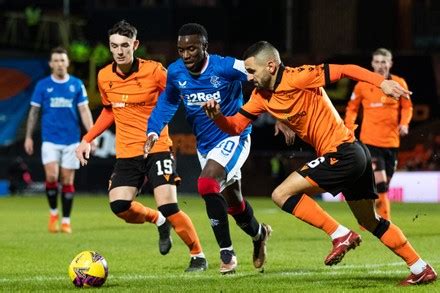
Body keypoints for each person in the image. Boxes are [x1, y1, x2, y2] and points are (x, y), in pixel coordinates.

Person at [203, 41, 437, 285]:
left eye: (252, 71)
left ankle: (340, 234)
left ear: (271, 66)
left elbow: (346, 69)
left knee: (281, 194)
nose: (249, 77)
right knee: (370, 221)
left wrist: (382, 82)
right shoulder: (260, 97)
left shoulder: (300, 76)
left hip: (343, 152)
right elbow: (235, 126)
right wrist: (218, 116)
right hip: (354, 154)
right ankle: (421, 268)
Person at [144, 23, 294, 274]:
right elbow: (167, 102)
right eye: (181, 49)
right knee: (234, 204)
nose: (186, 54)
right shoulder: (175, 72)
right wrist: (153, 129)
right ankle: (259, 235)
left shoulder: (226, 66)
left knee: (205, 184)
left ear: (205, 47)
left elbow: (265, 77)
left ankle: (227, 253)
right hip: (205, 144)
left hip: (234, 136)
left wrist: (279, 114)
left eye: (192, 48)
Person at [75, 20, 207, 272]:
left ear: (135, 45)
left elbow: (179, 91)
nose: (119, 51)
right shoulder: (104, 77)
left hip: (157, 148)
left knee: (169, 205)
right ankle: (157, 220)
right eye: (114, 46)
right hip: (127, 153)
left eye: (125, 45)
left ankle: (197, 255)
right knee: (119, 206)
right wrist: (87, 139)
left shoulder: (155, 71)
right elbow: (108, 110)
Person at [24, 46, 94, 234]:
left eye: (62, 60)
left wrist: (92, 135)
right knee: (52, 177)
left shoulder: (76, 84)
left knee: (67, 179)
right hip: (50, 139)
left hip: (72, 140)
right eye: (56, 60)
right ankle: (54, 214)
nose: (59, 64)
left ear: (67, 63)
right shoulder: (43, 85)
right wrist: (29, 137)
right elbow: (34, 112)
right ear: (50, 64)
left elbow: (84, 110)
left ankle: (66, 220)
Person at [344, 48, 413, 220]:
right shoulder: (362, 85)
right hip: (370, 142)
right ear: (372, 64)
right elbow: (352, 108)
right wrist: (349, 127)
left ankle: (366, 219)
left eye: (384, 62)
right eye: (377, 62)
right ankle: (386, 224)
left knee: (381, 187)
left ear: (390, 64)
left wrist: (404, 124)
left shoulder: (399, 83)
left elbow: (407, 107)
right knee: (380, 185)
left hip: (392, 143)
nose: (380, 65)